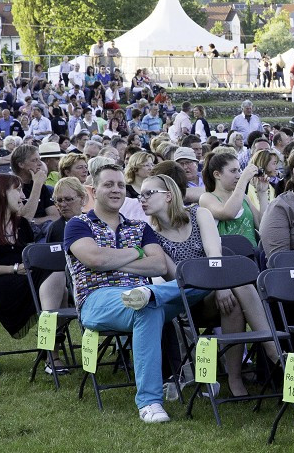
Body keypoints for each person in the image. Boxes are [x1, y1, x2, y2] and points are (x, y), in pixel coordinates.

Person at [64, 164, 186, 423]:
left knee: (196, 285)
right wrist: (138, 253)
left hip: (141, 294)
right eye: (109, 184)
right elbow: (94, 258)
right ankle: (149, 402)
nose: (116, 189)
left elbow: (159, 265)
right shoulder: (78, 225)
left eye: (120, 184)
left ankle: (151, 403)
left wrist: (113, 259)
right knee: (147, 303)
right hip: (98, 299)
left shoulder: (140, 227)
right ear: (94, 191)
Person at [139, 173, 277, 397]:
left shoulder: (198, 214)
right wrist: (219, 285)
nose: (142, 199)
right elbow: (179, 279)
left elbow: (215, 255)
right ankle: (275, 353)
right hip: (184, 302)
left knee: (236, 292)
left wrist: (221, 287)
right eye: (140, 195)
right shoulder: (151, 235)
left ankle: (235, 376)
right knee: (236, 285)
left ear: (168, 196)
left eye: (148, 193)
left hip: (215, 292)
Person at [0, 174, 63, 372]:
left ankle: (50, 349)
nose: (22, 195)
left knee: (58, 281)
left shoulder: (22, 225)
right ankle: (51, 354)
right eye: (17, 190)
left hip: (25, 280)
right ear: (2, 192)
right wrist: (14, 269)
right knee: (56, 282)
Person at [199, 152, 267, 245]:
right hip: (228, 255)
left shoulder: (244, 198)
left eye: (239, 170)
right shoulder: (207, 198)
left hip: (252, 255)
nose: (238, 175)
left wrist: (262, 193)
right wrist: (243, 180)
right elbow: (228, 213)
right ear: (217, 174)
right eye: (233, 171)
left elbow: (262, 226)